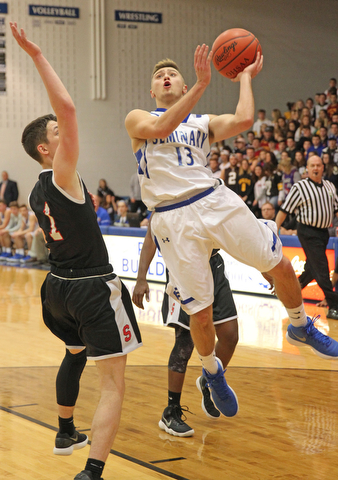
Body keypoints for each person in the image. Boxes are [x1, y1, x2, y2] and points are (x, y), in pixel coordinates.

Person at [125, 45, 338, 420]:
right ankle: (211, 373)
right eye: (160, 76)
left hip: (213, 199)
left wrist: (243, 78)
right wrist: (203, 84)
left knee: (279, 263)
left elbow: (242, 120)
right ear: (153, 90)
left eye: (172, 74)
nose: (166, 77)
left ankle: (301, 326)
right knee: (202, 314)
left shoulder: (201, 122)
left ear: (184, 83)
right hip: (172, 218)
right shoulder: (138, 118)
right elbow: (161, 127)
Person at [10, 22, 142, 480]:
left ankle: (65, 430)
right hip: (90, 286)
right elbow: (66, 107)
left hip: (58, 290)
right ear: (46, 149)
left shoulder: (35, 191)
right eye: (55, 132)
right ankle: (91, 472)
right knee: (113, 386)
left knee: (75, 354)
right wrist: (36, 54)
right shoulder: (61, 175)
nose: (64, 132)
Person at [132, 217, 239, 436]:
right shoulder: (168, 193)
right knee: (185, 342)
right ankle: (171, 412)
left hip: (214, 265)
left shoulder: (212, 189)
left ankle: (209, 380)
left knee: (230, 335)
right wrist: (141, 277)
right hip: (183, 268)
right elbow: (151, 237)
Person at [275, 155, 338, 321]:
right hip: (307, 232)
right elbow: (285, 210)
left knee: (312, 269)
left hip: (324, 232)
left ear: (323, 167)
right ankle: (334, 306)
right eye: (312, 166)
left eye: (318, 165)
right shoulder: (300, 187)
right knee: (322, 268)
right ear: (307, 169)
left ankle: (289, 292)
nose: (316, 168)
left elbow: (336, 209)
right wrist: (274, 230)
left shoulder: (330, 186)